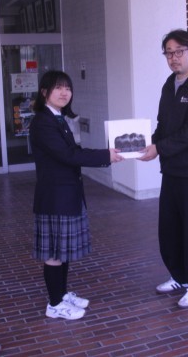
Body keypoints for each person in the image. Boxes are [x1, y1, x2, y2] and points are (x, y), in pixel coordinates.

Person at [29, 70, 124, 320]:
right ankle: (54, 304)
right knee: (54, 253)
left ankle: (61, 294)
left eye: (68, 88)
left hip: (66, 195)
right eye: (58, 88)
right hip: (54, 197)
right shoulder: (43, 122)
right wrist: (105, 155)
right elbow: (68, 155)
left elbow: (72, 151)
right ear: (44, 92)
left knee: (62, 251)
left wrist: (105, 153)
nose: (64, 93)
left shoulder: (58, 118)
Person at [138, 29, 188, 308]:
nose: (173, 58)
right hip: (172, 169)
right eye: (169, 53)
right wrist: (149, 145)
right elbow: (164, 124)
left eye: (179, 52)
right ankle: (180, 276)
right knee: (170, 228)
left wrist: (159, 148)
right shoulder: (169, 84)